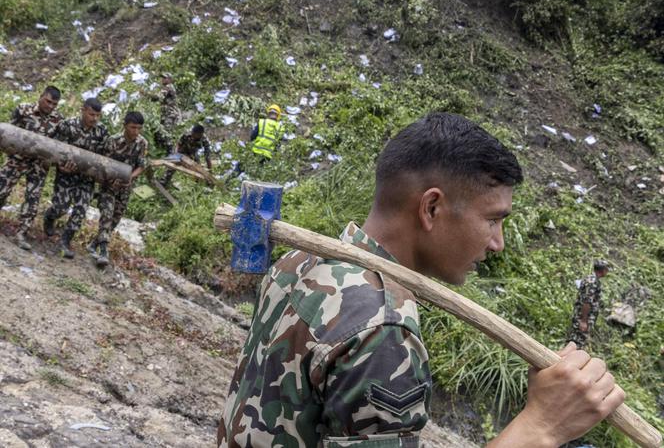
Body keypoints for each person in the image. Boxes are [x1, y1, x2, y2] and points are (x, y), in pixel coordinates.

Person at [218, 113, 625, 447]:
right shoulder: (381, 330)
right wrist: (541, 426)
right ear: (431, 208)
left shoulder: (302, 258)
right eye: (493, 220)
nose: (498, 243)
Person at [43, 97, 108, 259]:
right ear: (83, 110)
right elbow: (55, 149)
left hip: (86, 179)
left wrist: (100, 175)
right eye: (92, 114)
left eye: (98, 116)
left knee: (80, 211)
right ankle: (49, 216)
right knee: (60, 207)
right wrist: (61, 166)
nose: (95, 119)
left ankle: (65, 241)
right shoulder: (68, 126)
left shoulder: (102, 132)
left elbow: (104, 157)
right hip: (66, 174)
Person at [0, 86, 63, 250]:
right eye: (48, 102)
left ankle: (21, 233)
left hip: (39, 166)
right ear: (41, 96)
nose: (50, 106)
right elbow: (10, 133)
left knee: (32, 201)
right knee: (2, 189)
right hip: (17, 160)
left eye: (54, 104)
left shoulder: (58, 120)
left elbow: (58, 147)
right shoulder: (23, 110)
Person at [88, 111, 149, 266]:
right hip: (109, 185)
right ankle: (103, 251)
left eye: (139, 128)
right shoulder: (113, 141)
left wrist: (130, 178)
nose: (135, 131)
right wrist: (110, 179)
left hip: (125, 188)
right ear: (125, 126)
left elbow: (142, 166)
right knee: (106, 215)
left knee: (115, 219)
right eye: (132, 127)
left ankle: (93, 245)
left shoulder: (142, 143)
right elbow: (103, 164)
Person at [568, 260, 610, 348]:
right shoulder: (592, 283)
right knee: (577, 342)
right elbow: (587, 302)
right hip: (582, 317)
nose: (607, 271)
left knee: (575, 340)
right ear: (602, 270)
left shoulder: (590, 279)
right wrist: (584, 321)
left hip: (581, 316)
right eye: (606, 269)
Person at [151, 72, 181, 154]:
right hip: (167, 114)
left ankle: (170, 154)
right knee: (165, 133)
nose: (163, 79)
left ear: (170, 80)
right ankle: (168, 152)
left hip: (170, 115)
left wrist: (146, 94)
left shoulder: (168, 87)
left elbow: (157, 97)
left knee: (167, 134)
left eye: (165, 78)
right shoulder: (166, 88)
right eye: (162, 78)